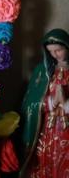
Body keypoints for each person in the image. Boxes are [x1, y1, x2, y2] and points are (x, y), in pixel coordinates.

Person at [20, 28, 69, 177]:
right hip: (46, 129)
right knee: (44, 161)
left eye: (58, 50)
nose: (55, 55)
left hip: (66, 130)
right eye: (51, 51)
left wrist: (66, 103)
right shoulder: (43, 71)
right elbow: (30, 101)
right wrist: (51, 101)